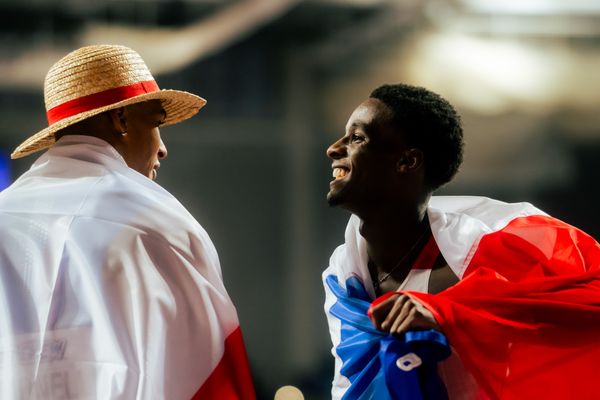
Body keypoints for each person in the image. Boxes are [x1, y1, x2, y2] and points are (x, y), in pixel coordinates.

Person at [0, 45, 255, 399]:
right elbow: (207, 372)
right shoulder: (157, 222)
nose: (162, 147)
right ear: (121, 120)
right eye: (156, 124)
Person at [322, 83, 600, 399]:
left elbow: (591, 296)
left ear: (407, 161)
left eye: (357, 138)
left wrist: (447, 311)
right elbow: (346, 385)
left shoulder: (488, 246)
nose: (333, 148)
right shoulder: (343, 276)